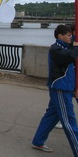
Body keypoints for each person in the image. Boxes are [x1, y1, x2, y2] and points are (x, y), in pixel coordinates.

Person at [31, 25, 78, 154]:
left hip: (66, 88)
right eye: (69, 35)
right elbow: (68, 57)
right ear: (60, 36)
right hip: (60, 88)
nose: (71, 37)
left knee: (51, 116)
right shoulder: (55, 49)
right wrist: (76, 46)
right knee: (69, 122)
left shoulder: (67, 48)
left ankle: (38, 141)